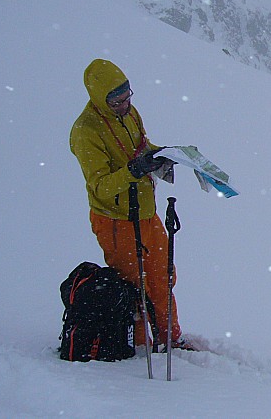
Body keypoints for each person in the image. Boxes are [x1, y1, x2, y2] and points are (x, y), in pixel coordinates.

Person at [70, 58, 191, 350]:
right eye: (117, 102)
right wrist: (133, 171)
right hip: (116, 219)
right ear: (100, 99)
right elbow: (100, 186)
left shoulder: (130, 114)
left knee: (163, 276)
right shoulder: (86, 131)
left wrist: (161, 154)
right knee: (134, 284)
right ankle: (136, 346)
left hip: (145, 211)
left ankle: (170, 337)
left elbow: (141, 147)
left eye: (127, 97)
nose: (125, 105)